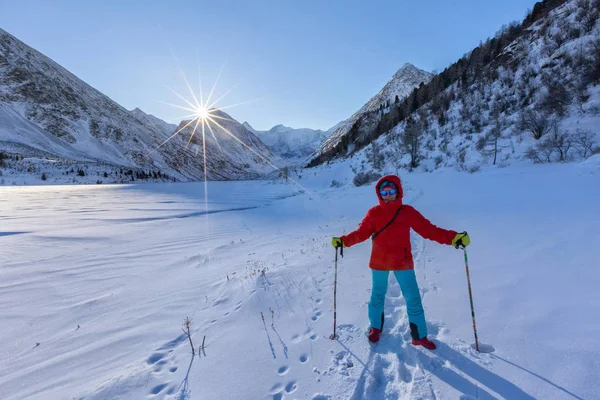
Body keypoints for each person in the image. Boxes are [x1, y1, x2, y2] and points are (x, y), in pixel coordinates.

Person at [331, 175, 470, 350]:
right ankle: (375, 327)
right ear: (379, 193)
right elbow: (361, 233)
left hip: (402, 262)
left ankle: (419, 336)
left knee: (413, 298)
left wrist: (453, 238)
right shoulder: (374, 213)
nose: (388, 195)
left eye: (391, 191)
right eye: (384, 192)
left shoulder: (407, 212)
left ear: (398, 191)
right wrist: (343, 241)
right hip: (379, 262)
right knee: (377, 296)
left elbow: (429, 230)